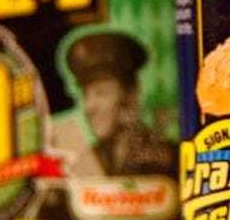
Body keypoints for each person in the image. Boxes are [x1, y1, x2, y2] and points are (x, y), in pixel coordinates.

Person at [65, 32, 174, 176]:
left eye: (101, 93)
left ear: (130, 95)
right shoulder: (85, 164)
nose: (88, 106)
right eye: (85, 95)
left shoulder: (166, 158)